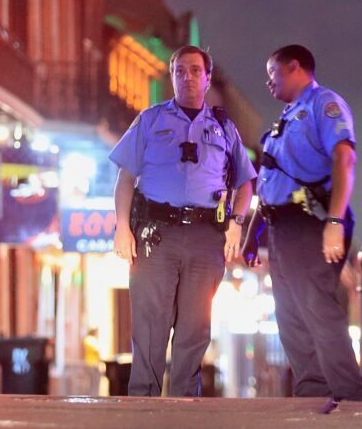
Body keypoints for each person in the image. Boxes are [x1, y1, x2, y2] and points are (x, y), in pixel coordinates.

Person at [109, 45, 256, 397]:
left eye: (194, 70)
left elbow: (246, 183)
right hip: (156, 235)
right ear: (171, 77)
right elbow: (125, 179)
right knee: (150, 322)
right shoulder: (150, 120)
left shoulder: (224, 128)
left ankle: (184, 406)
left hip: (206, 238)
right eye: (179, 71)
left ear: (207, 78)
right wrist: (122, 227)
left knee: (194, 326)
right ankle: (142, 403)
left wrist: (236, 222)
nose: (186, 77)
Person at [251, 44, 362, 404]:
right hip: (281, 227)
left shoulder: (323, 104)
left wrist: (335, 220)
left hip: (311, 222)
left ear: (294, 67)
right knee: (290, 316)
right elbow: (272, 179)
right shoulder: (287, 115)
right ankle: (311, 393)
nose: (268, 82)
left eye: (273, 73)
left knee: (315, 308)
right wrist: (253, 234)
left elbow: (345, 158)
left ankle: (352, 397)